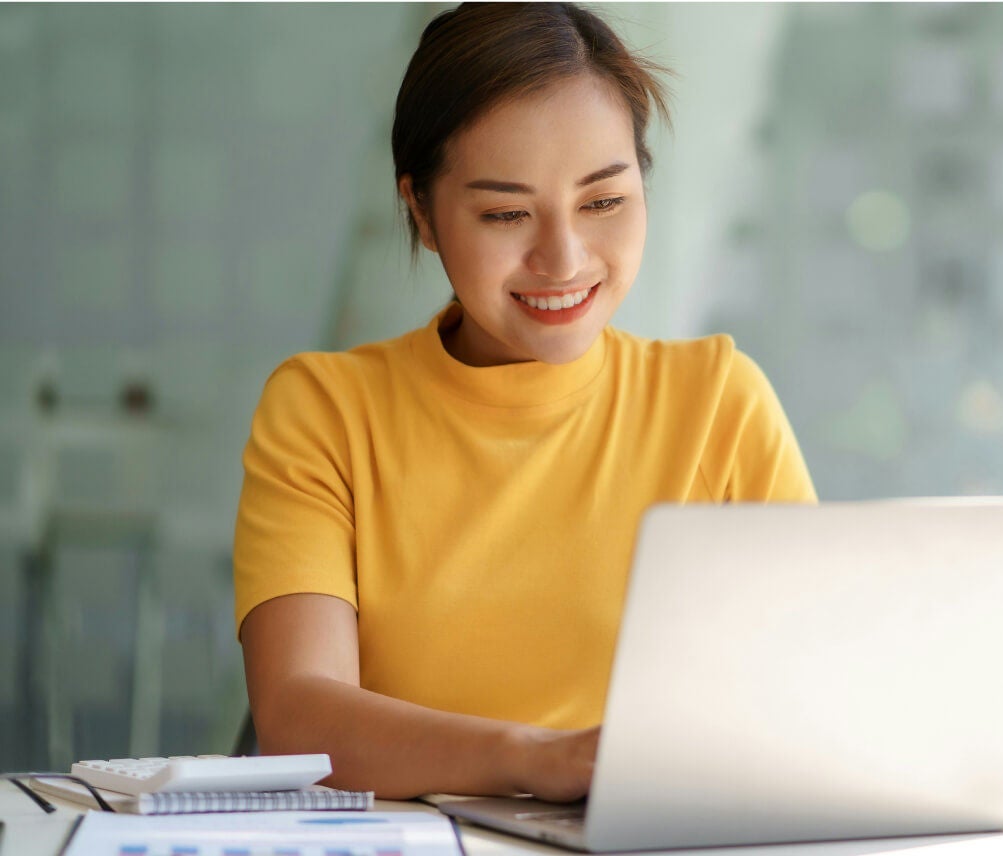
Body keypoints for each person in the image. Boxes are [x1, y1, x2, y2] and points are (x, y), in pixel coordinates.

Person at [233, 3, 816, 803]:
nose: (563, 259)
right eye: (506, 214)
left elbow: (811, 686)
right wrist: (542, 760)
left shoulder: (719, 402)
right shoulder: (326, 413)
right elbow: (299, 719)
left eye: (603, 202)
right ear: (421, 212)